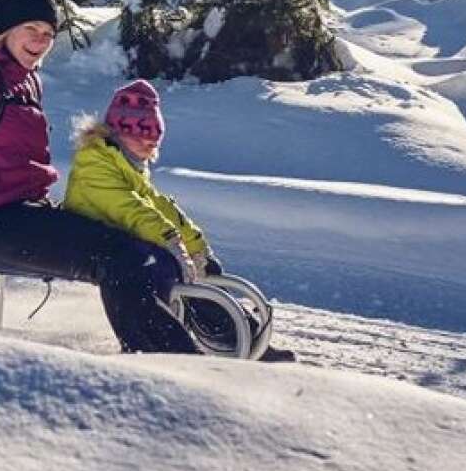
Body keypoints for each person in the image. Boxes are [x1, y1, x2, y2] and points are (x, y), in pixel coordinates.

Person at [0, 0, 199, 355]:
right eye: (31, 29)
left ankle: (204, 338)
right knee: (120, 257)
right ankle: (168, 360)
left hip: (20, 211)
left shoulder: (23, 78)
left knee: (142, 245)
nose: (41, 42)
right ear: (3, 30)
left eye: (48, 34)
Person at [63, 79, 296, 362]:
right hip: (91, 239)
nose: (148, 142)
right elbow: (132, 209)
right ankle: (173, 352)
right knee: (166, 267)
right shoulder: (95, 162)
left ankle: (243, 337)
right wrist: (173, 244)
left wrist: (197, 247)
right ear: (118, 131)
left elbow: (160, 206)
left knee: (191, 275)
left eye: (153, 135)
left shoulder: (127, 163)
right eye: (140, 133)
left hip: (124, 239)